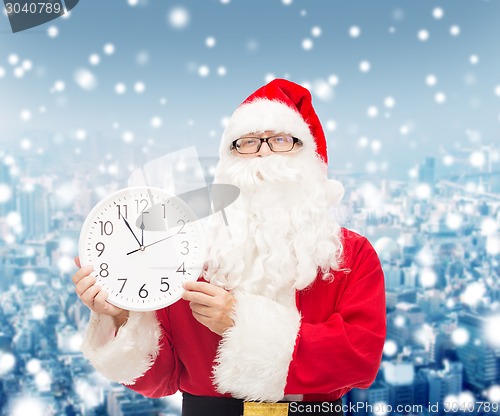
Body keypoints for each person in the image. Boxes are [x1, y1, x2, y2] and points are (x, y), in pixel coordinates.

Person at [72, 79, 387, 416]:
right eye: (248, 142)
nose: (264, 151)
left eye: (281, 140)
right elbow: (161, 380)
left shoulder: (353, 254)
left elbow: (360, 358)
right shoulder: (187, 254)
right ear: (227, 162)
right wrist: (121, 317)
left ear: (310, 157)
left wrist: (240, 321)